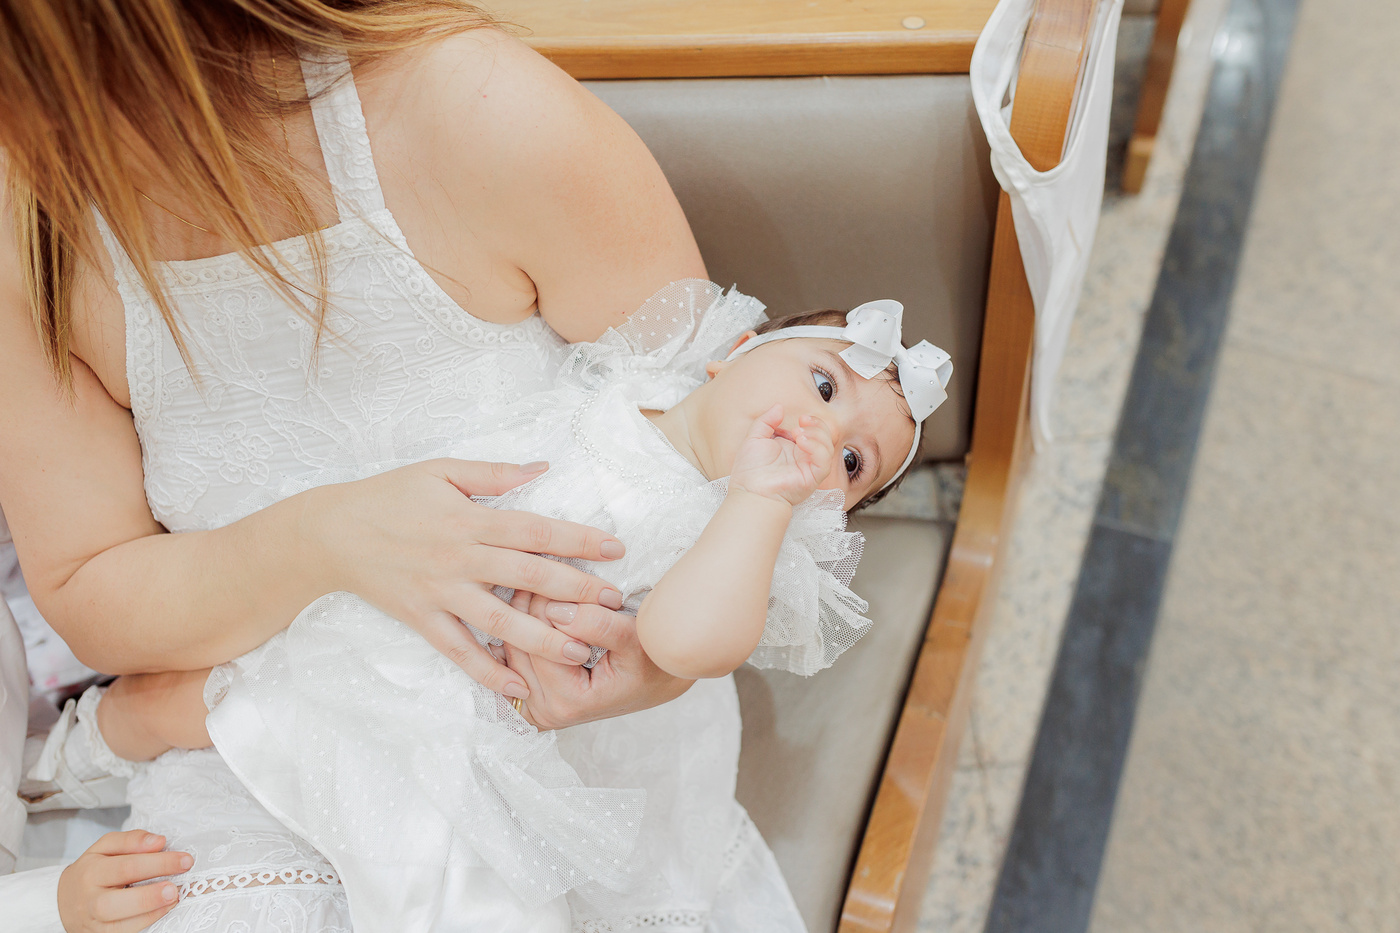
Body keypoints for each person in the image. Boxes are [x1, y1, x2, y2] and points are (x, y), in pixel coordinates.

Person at [0, 0, 704, 928]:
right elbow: (92, 586)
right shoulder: (32, 231)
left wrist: (661, 656)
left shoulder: (475, 108)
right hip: (248, 751)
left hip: (560, 734)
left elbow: (718, 446)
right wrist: (325, 538)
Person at [51, 287, 954, 932]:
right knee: (239, 687)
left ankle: (94, 751)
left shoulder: (735, 538)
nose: (821, 436)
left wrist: (759, 504)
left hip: (497, 693)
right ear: (732, 353)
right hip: (418, 578)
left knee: (295, 734)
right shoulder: (633, 374)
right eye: (823, 386)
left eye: (852, 465)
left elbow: (686, 643)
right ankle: (76, 753)